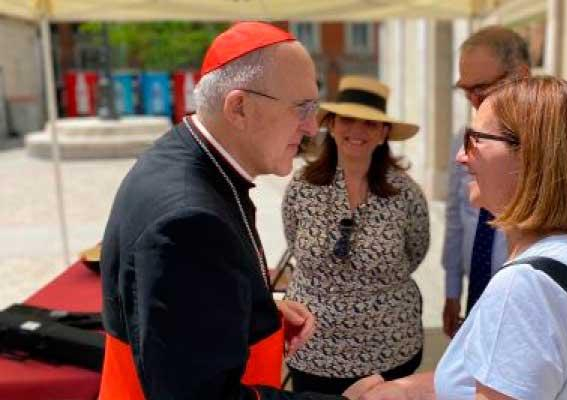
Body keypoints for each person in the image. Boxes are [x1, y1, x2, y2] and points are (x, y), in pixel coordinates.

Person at [97, 22, 380, 400]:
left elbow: (182, 313)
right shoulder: (188, 223)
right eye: (302, 108)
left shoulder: (189, 159)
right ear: (239, 107)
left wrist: (254, 310)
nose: (313, 128)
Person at [358, 76, 567, 399]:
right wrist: (401, 391)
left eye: (475, 140)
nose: (461, 157)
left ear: (530, 155)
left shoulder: (526, 286)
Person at [282, 75, 430, 395]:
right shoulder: (302, 186)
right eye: (347, 120)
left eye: (370, 124)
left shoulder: (405, 192)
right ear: (331, 125)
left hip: (389, 348)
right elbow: (295, 241)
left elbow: (416, 251)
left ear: (384, 133)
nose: (357, 131)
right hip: (314, 351)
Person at [442, 26, 532, 337]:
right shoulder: (464, 137)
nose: (474, 101)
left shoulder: (553, 146)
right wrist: (451, 289)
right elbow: (456, 218)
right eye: (466, 91)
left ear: (521, 75)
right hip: (477, 298)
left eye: (481, 89)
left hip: (526, 309)